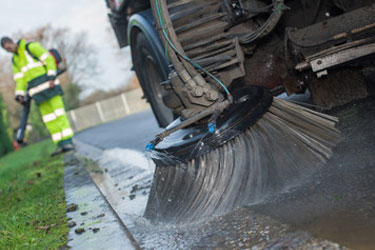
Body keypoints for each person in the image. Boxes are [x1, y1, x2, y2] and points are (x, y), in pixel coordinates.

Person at [1, 36, 74, 156]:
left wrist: (51, 76)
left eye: (9, 47)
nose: (9, 51)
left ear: (11, 42)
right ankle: (60, 145)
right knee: (49, 119)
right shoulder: (15, 60)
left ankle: (68, 142)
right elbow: (19, 80)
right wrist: (19, 94)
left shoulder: (31, 47)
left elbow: (49, 60)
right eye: (6, 50)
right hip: (37, 94)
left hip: (51, 87)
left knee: (59, 114)